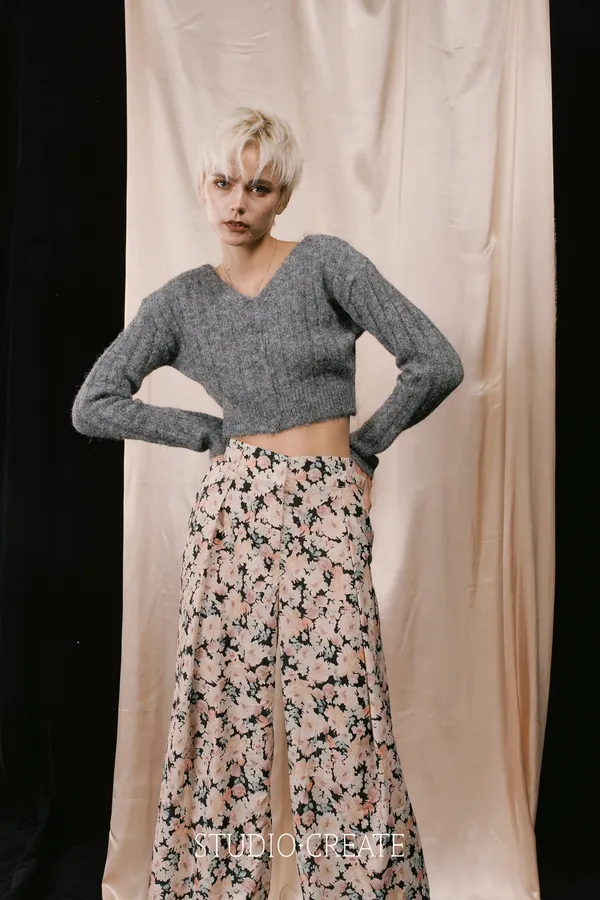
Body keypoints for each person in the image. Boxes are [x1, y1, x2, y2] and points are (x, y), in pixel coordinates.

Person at [71, 107, 463, 900]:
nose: (238, 201)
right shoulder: (179, 302)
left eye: (259, 186)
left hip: (326, 504)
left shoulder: (326, 264)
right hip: (235, 507)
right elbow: (93, 404)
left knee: (343, 712)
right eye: (224, 182)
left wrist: (366, 446)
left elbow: (435, 360)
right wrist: (203, 431)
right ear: (202, 186)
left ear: (283, 196)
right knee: (222, 710)